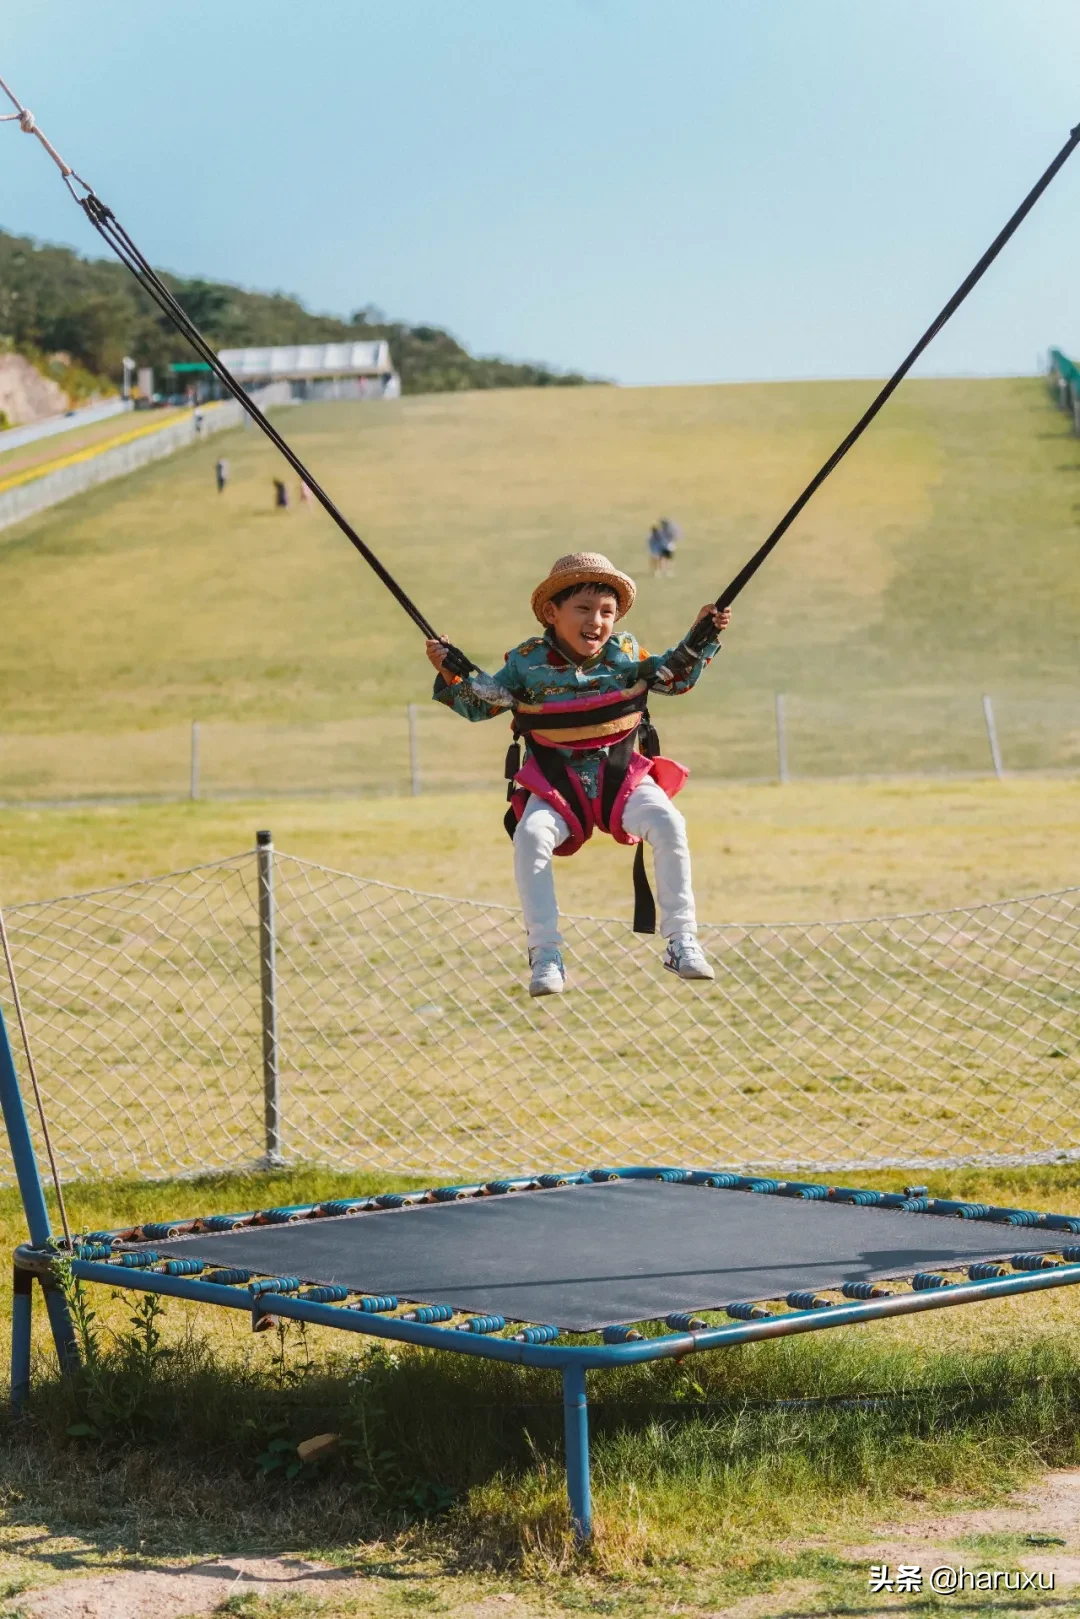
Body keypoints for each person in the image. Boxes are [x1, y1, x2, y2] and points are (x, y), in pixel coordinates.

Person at [426, 551, 730, 997]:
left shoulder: (626, 654)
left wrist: (701, 634)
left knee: (668, 822)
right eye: (583, 609)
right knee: (530, 836)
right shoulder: (525, 663)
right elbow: (485, 702)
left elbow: (673, 676)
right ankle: (545, 952)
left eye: (607, 612)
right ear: (552, 613)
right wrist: (450, 670)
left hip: (620, 776)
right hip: (555, 783)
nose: (597, 621)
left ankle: (681, 939)